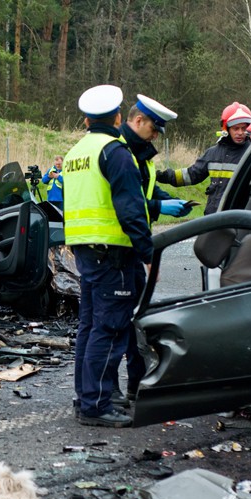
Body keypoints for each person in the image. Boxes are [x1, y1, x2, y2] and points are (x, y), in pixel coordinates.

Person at [63, 85, 153, 428]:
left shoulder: (77, 152)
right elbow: (131, 210)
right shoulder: (115, 152)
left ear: (86, 119)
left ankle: (85, 397)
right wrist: (147, 253)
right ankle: (97, 405)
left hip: (86, 251)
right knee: (110, 328)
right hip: (112, 253)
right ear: (118, 118)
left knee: (89, 327)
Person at [113, 94, 192, 407]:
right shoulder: (120, 154)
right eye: (154, 128)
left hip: (129, 245)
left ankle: (137, 384)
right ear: (138, 121)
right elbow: (126, 204)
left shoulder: (140, 155)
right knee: (120, 322)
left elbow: (144, 188)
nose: (156, 135)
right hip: (120, 245)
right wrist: (160, 207)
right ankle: (113, 393)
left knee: (137, 317)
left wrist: (166, 199)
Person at [156, 102, 251, 215]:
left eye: (243, 128)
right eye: (236, 129)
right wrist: (164, 176)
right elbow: (192, 174)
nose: (240, 133)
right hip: (212, 216)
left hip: (239, 218)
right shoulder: (213, 153)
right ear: (226, 128)